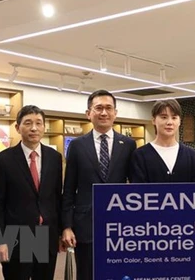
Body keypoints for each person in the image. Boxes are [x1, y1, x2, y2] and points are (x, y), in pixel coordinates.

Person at [61, 90, 136, 280]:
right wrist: (67, 226)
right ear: (89, 113)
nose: (104, 113)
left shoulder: (128, 144)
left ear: (115, 113)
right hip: (86, 225)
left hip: (120, 226)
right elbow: (69, 189)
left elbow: (135, 186)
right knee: (87, 274)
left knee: (118, 274)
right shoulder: (77, 145)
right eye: (99, 108)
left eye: (108, 108)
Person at [0, 105, 63, 280]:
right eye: (28, 123)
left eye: (39, 123)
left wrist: (59, 232)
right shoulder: (4, 159)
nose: (34, 128)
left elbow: (56, 197)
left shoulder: (54, 157)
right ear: (17, 127)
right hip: (16, 237)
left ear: (44, 127)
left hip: (46, 235)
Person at [130, 99, 195, 183]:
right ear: (153, 120)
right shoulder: (140, 155)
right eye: (164, 117)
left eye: (174, 118)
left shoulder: (192, 156)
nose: (169, 122)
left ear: (180, 121)